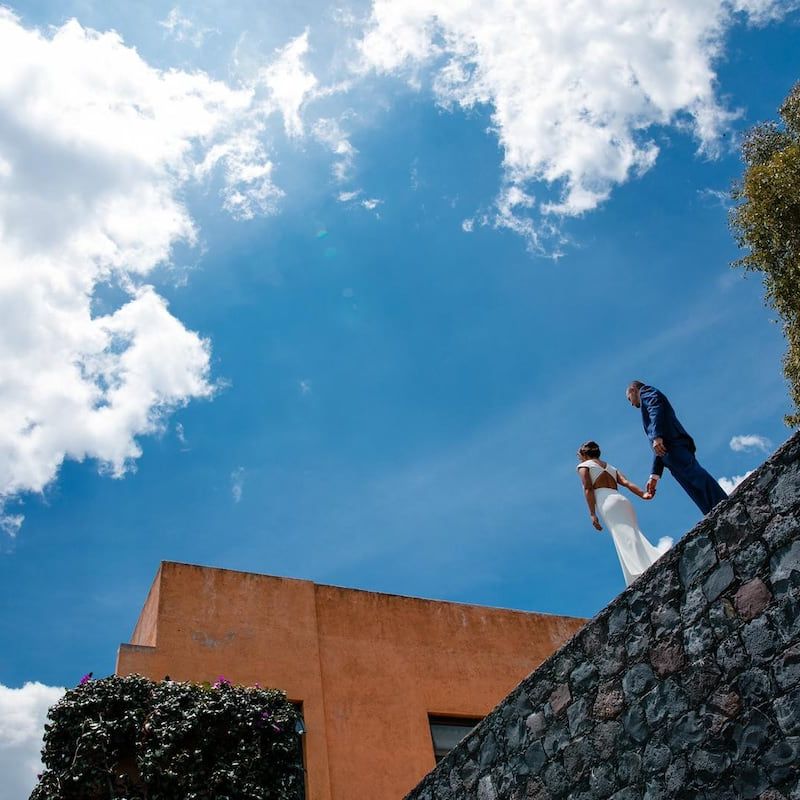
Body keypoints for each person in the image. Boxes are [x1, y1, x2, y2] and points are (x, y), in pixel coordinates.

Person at [626, 381, 728, 515]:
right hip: (669, 454)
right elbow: (657, 448)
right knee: (692, 488)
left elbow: (655, 406)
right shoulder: (646, 406)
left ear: (633, 390)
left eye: (629, 399)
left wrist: (657, 436)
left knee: (696, 476)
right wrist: (654, 476)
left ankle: (723, 503)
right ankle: (713, 513)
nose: (631, 404)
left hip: (674, 445)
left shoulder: (645, 392)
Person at [576, 441, 669, 586]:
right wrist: (643, 494)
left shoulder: (584, 466)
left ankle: (639, 572)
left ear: (584, 454)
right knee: (633, 533)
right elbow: (626, 482)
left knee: (623, 536)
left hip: (606, 501)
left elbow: (588, 489)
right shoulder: (611, 467)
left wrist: (592, 514)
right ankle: (647, 562)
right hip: (622, 499)